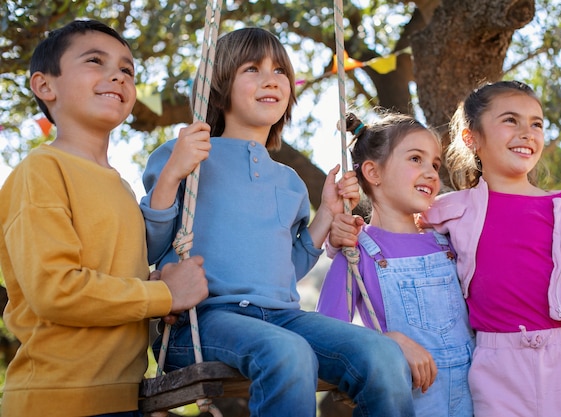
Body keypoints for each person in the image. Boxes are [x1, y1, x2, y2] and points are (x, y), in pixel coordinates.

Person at [140, 27, 417, 417]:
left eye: (280, 71)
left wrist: (326, 214)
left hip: (283, 316)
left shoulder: (289, 180)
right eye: (252, 69)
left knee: (382, 353)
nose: (271, 79)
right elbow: (150, 247)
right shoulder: (184, 154)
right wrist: (172, 175)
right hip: (204, 324)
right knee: (288, 352)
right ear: (218, 86)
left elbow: (288, 268)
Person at [329, 80, 561, 416]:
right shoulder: (448, 212)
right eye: (511, 120)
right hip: (495, 376)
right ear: (472, 139)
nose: (527, 132)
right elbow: (392, 227)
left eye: (537, 123)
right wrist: (338, 229)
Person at [0, 19, 209, 417]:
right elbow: (57, 290)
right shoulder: (41, 171)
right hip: (57, 400)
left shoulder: (121, 187)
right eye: (95, 61)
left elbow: (110, 285)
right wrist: (164, 295)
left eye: (127, 70)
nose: (117, 74)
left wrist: (152, 292)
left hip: (121, 398)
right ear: (46, 86)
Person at [317, 112, 475, 417]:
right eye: (416, 159)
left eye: (435, 164)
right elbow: (326, 339)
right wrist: (389, 343)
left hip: (475, 401)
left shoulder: (450, 241)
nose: (431, 172)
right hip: (406, 405)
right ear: (373, 172)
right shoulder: (356, 251)